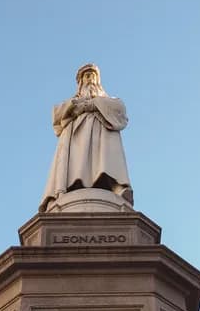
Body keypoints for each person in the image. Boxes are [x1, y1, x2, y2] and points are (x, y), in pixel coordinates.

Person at [40, 64, 133, 211]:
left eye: (92, 75)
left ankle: (116, 185)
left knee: (105, 154)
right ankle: (70, 186)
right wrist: (75, 107)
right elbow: (57, 115)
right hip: (76, 135)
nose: (89, 78)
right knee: (77, 159)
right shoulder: (73, 101)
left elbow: (119, 108)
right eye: (86, 76)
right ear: (81, 82)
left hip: (101, 134)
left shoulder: (108, 100)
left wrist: (92, 104)